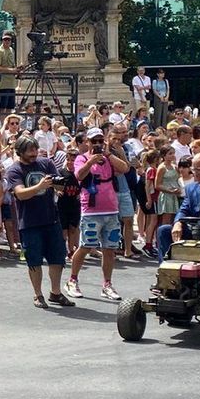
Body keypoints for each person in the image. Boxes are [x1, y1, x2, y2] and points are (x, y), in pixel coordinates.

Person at [4, 135, 68, 308]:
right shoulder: (14, 170)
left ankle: (56, 292)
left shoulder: (46, 164)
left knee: (57, 257)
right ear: (20, 151)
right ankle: (38, 294)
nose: (34, 153)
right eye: (29, 150)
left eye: (35, 149)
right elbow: (20, 193)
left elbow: (59, 185)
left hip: (51, 218)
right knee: (34, 260)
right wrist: (39, 186)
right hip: (30, 221)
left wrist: (61, 182)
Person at [69, 128, 129, 302]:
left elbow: (125, 168)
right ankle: (72, 279)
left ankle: (107, 284)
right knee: (86, 246)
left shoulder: (108, 158)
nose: (97, 144)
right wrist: (90, 162)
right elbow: (79, 175)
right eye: (93, 141)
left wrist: (109, 155)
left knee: (109, 249)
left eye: (100, 141)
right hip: (91, 210)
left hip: (111, 209)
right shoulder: (82, 158)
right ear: (87, 142)